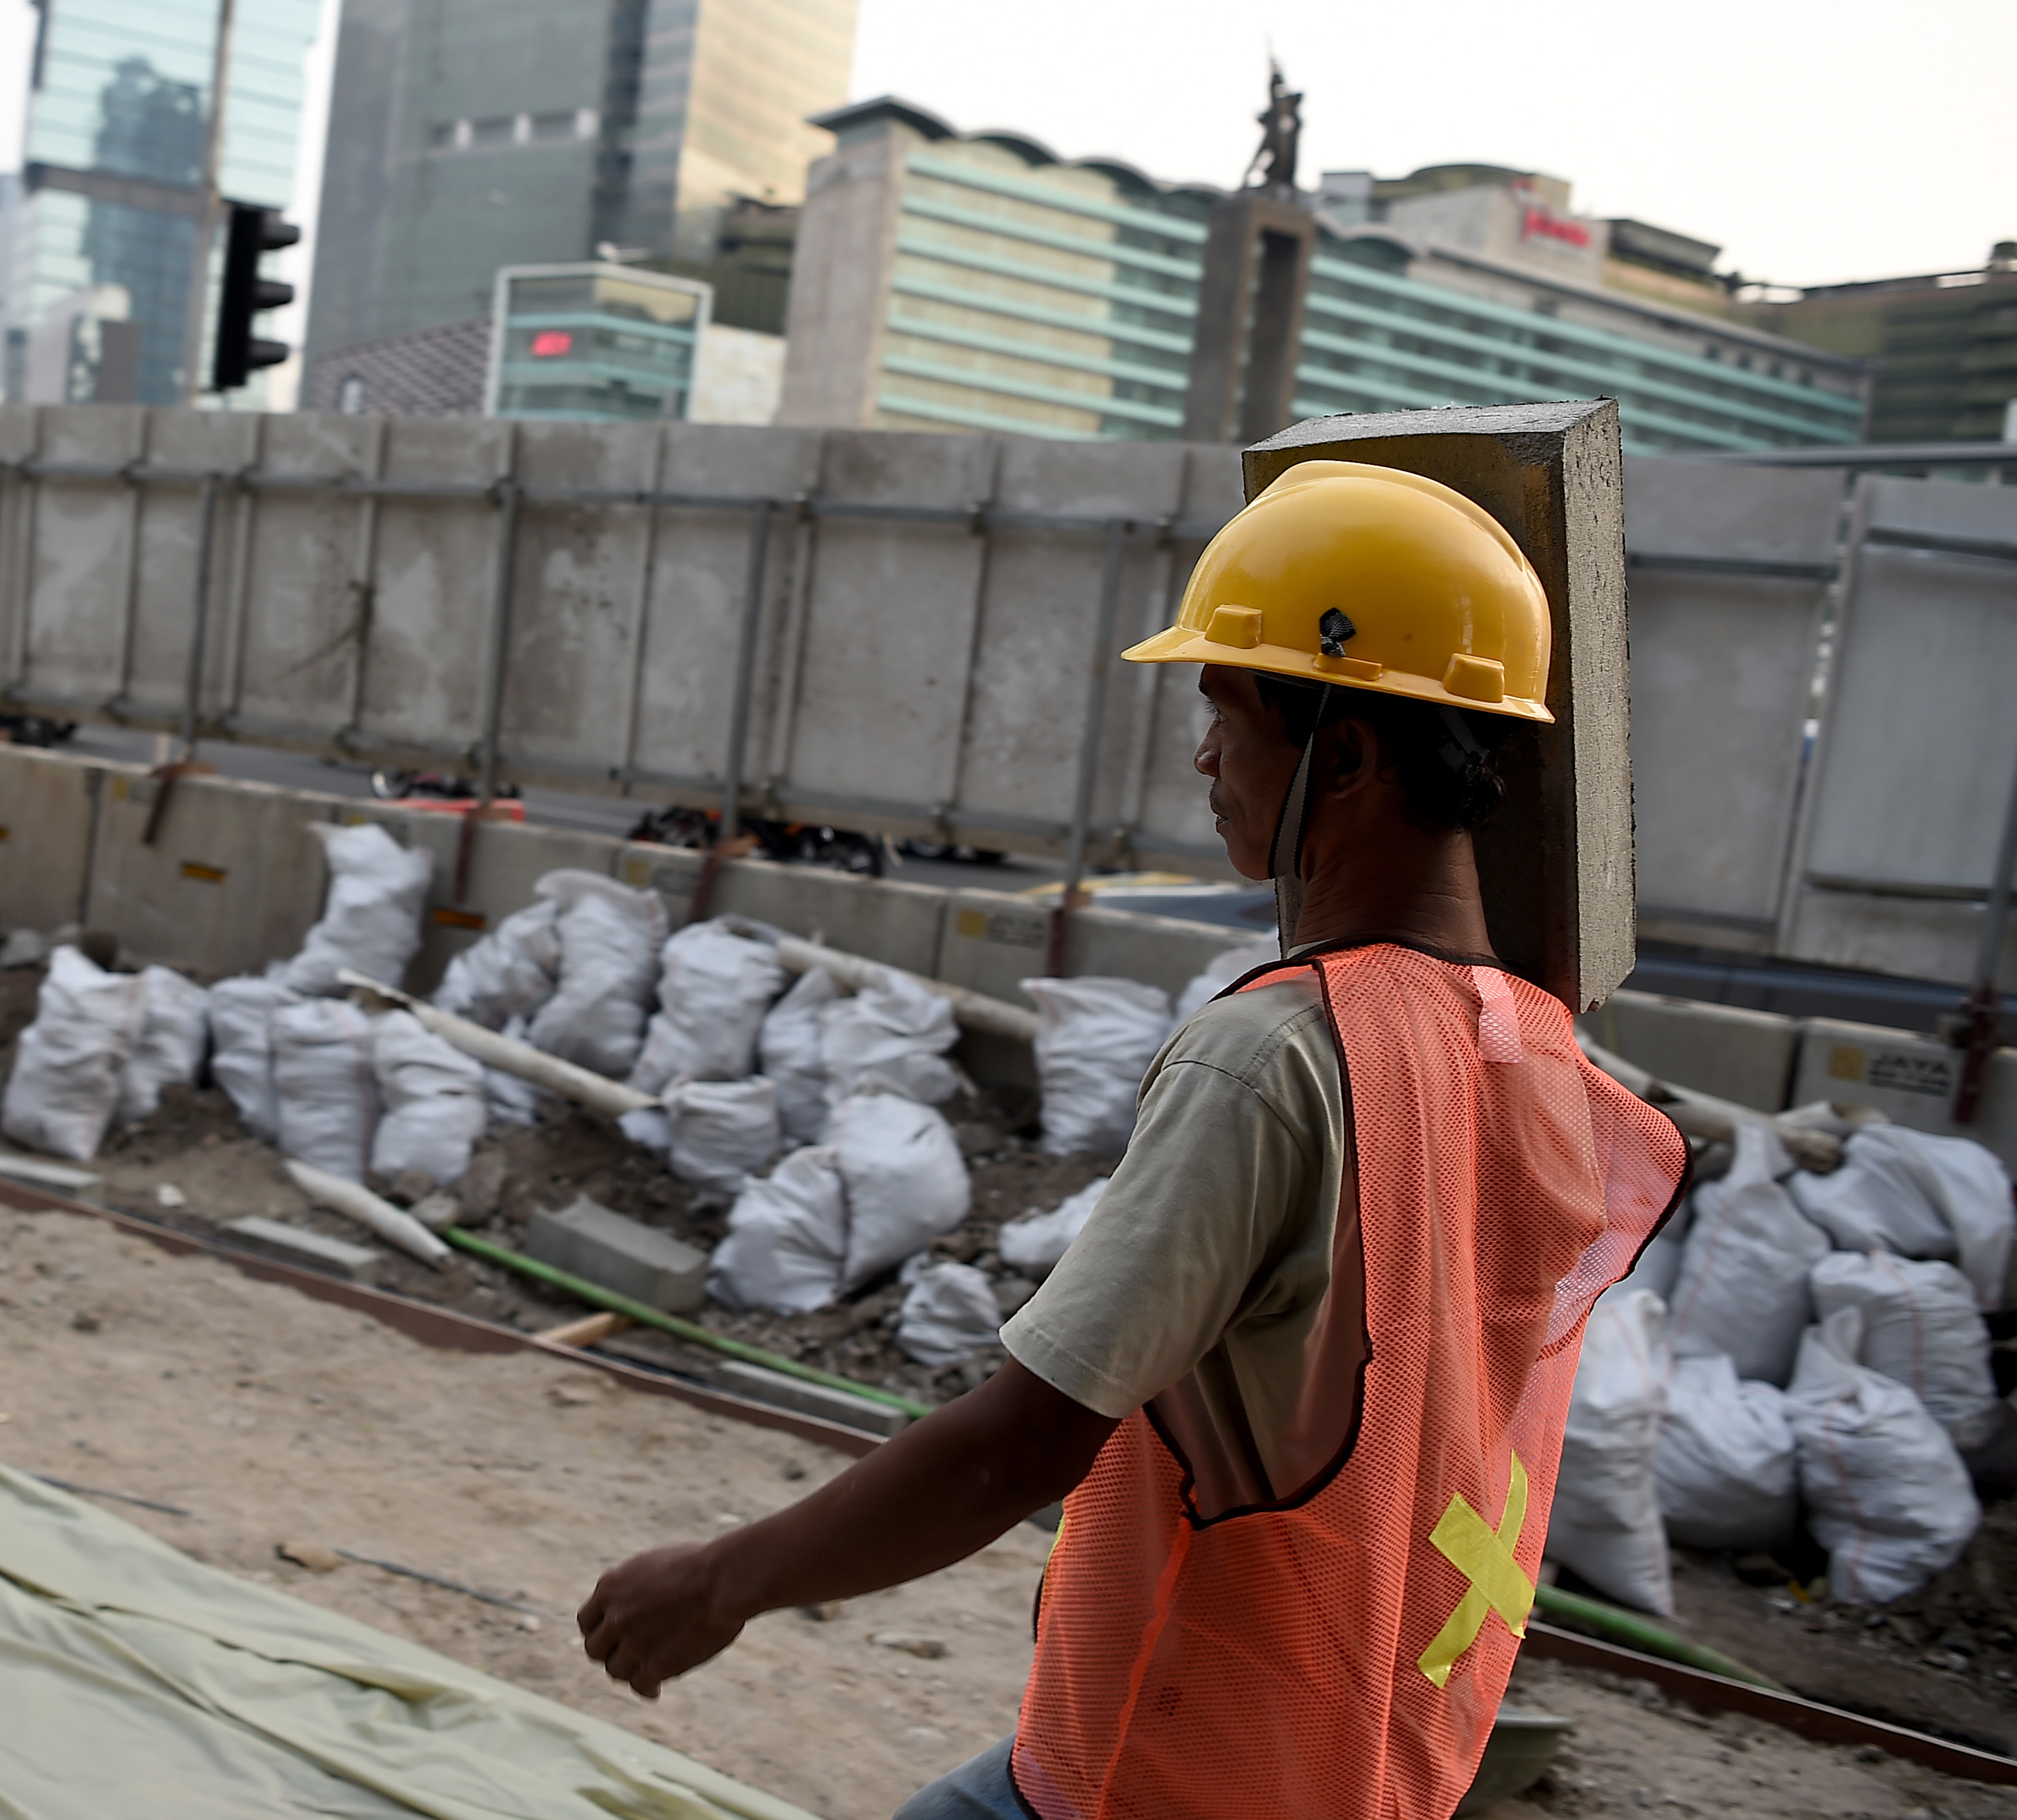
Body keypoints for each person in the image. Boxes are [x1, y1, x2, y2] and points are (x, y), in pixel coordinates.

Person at [577, 461, 1689, 1820]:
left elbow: (1017, 1444)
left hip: (1165, 1772)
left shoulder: (1279, 1056)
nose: (1204, 757)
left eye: (1226, 711)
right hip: (1352, 1766)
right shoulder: (1531, 1050)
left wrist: (719, 1579)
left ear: (1341, 758)